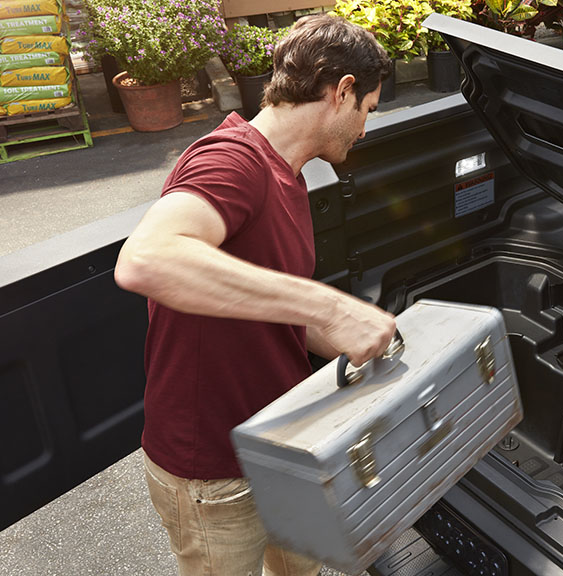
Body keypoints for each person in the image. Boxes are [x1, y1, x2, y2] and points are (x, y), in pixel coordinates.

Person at [113, 15, 396, 576]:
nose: (367, 127)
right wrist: (330, 305)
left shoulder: (289, 172)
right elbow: (148, 258)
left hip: (281, 445)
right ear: (341, 92)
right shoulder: (231, 160)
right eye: (367, 108)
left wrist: (352, 331)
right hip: (213, 471)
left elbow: (269, 306)